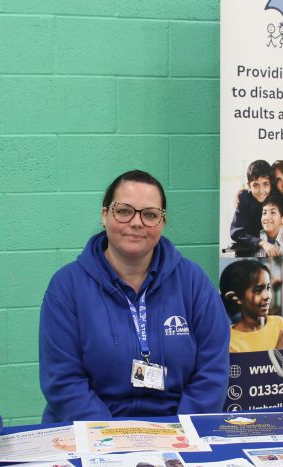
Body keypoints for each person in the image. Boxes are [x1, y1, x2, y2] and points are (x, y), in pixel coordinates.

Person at [39, 170, 230, 423]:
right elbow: (63, 381)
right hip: (91, 431)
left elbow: (212, 371)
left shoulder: (194, 282)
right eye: (124, 211)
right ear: (105, 215)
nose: (137, 222)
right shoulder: (66, 287)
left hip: (177, 430)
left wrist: (183, 433)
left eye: (150, 214)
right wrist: (109, 437)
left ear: (162, 222)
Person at [219, 259, 283, 353]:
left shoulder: (279, 324)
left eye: (268, 288)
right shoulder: (228, 341)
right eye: (258, 290)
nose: (267, 296)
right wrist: (279, 352)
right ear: (237, 298)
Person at [229, 160, 274, 256]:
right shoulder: (244, 199)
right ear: (249, 185)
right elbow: (236, 232)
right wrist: (261, 242)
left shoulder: (276, 197)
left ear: (271, 184)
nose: (261, 191)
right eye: (256, 185)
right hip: (248, 252)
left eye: (265, 184)